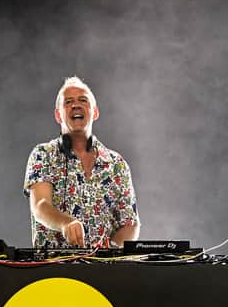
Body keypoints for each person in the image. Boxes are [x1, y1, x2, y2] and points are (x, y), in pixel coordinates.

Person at [23, 76, 140, 249]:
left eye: (83, 100)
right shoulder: (43, 155)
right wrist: (66, 223)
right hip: (53, 269)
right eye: (68, 101)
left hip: (102, 271)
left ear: (95, 112)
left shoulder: (117, 164)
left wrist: (112, 252)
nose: (76, 105)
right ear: (58, 115)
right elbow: (40, 205)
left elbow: (130, 224)